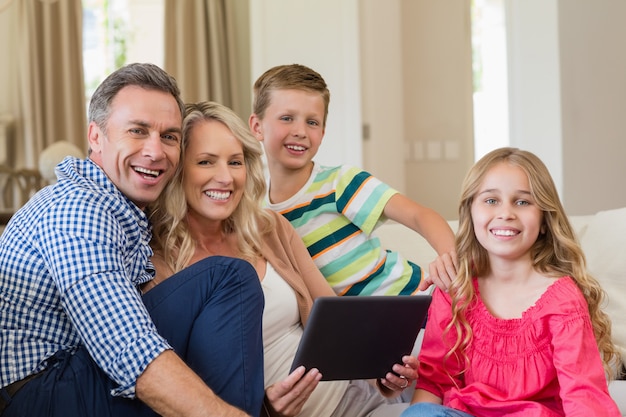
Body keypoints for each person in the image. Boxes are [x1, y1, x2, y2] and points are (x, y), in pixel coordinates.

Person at [0, 63, 264, 417]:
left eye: (169, 136)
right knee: (227, 277)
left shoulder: (125, 210)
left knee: (220, 279)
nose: (156, 152)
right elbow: (127, 347)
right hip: (40, 392)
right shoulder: (77, 210)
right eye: (137, 131)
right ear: (96, 136)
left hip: (73, 375)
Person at [147, 100, 418, 417]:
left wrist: (382, 376)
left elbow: (334, 319)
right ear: (178, 169)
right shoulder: (155, 265)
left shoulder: (268, 228)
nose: (225, 177)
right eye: (206, 162)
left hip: (356, 400)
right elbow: (175, 390)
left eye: (235, 162)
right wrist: (266, 409)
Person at [400, 147, 622, 417]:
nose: (506, 213)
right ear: (470, 212)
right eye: (491, 200)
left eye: (522, 202)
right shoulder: (454, 289)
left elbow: (583, 395)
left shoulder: (563, 301)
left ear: (543, 220)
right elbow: (434, 382)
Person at [248, 63, 457, 297]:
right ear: (257, 127)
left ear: (323, 133)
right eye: (287, 118)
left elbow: (420, 216)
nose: (300, 131)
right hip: (355, 323)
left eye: (312, 122)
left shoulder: (340, 182)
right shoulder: (258, 214)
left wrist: (452, 262)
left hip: (413, 299)